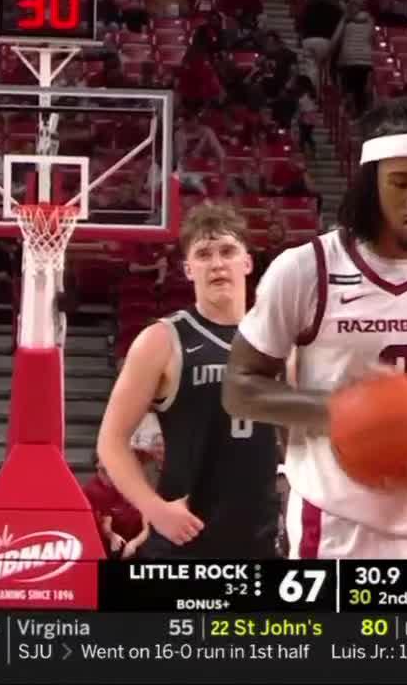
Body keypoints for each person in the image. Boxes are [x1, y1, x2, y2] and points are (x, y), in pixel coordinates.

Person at [223, 97, 407, 558]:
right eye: (400, 182)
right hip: (332, 521)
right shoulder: (306, 268)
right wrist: (344, 411)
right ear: (370, 182)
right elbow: (239, 388)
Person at [96, 203, 280, 557]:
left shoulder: (278, 338)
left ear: (247, 262)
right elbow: (111, 441)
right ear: (188, 269)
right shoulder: (162, 340)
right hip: (183, 540)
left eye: (227, 251)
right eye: (204, 254)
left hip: (261, 537)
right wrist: (154, 509)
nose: (217, 264)